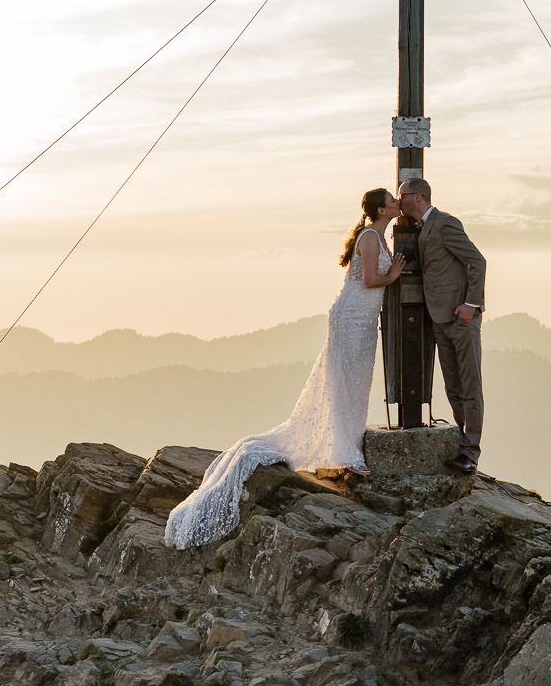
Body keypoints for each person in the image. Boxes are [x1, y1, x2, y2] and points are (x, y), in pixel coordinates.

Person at [165, 187, 404, 549]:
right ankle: (348, 453)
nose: (398, 203)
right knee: (346, 382)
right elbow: (371, 281)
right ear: (382, 208)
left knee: (356, 381)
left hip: (363, 319)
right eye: (394, 199)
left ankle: (347, 445)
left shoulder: (377, 234)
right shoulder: (371, 237)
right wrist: (395, 275)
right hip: (353, 317)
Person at [398, 178, 486, 475]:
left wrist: (471, 305)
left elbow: (477, 261)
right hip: (439, 319)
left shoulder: (445, 223)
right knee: (453, 387)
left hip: (461, 319)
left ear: (418, 196)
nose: (399, 202)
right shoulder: (423, 227)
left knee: (470, 385)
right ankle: (462, 445)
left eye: (403, 196)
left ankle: (471, 453)